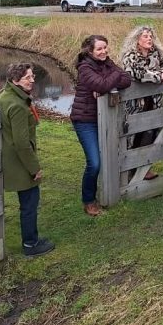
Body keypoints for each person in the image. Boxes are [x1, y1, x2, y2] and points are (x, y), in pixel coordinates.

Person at [70, 34, 132, 216]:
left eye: (105, 47)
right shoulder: (84, 67)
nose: (104, 51)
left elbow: (126, 79)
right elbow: (104, 83)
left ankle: (109, 190)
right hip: (85, 120)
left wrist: (107, 85)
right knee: (94, 163)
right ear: (90, 51)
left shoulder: (107, 63)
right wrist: (110, 81)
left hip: (104, 119)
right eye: (99, 49)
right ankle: (89, 200)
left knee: (111, 155)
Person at [0, 63, 53, 256]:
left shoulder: (6, 95)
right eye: (27, 78)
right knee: (29, 203)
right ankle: (31, 244)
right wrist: (34, 168)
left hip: (11, 157)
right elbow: (21, 143)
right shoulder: (18, 106)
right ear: (15, 80)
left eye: (32, 76)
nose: (32, 80)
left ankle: (32, 240)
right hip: (19, 162)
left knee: (28, 202)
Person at [120, 25, 163, 180]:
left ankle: (144, 168)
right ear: (137, 40)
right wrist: (158, 77)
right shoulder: (130, 56)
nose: (149, 39)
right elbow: (138, 74)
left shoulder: (156, 53)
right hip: (136, 105)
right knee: (134, 136)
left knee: (150, 134)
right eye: (145, 36)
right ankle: (129, 170)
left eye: (151, 36)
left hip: (154, 102)